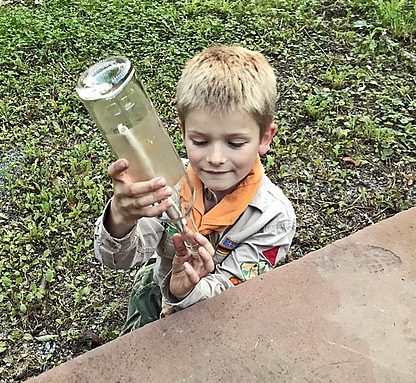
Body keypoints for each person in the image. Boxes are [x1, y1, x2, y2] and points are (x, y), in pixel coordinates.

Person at [93, 45, 297, 334]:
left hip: (216, 315)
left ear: (265, 138)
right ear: (183, 131)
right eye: (200, 141)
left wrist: (184, 293)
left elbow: (234, 294)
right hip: (157, 288)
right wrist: (121, 219)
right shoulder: (169, 185)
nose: (215, 158)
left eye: (235, 143)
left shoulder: (273, 219)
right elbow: (121, 259)